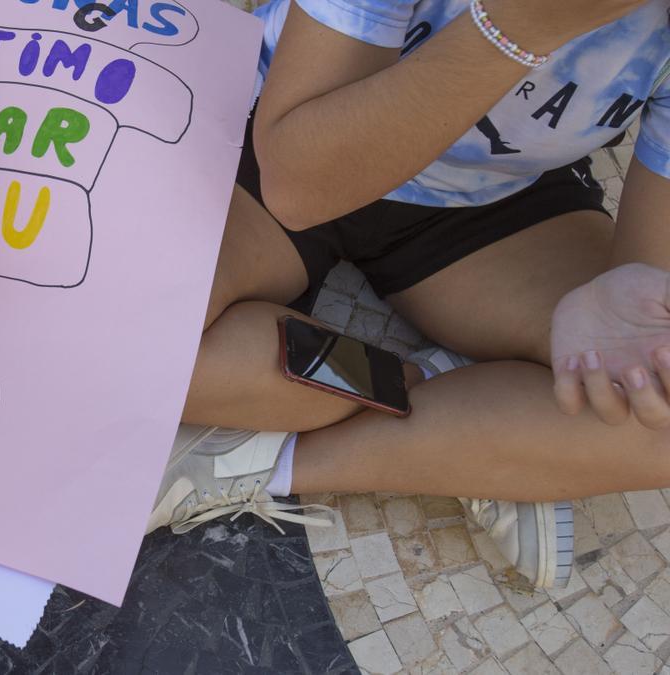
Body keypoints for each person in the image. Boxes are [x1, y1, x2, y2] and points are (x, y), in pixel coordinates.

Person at [147, 0, 670, 589]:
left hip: (491, 194)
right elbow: (302, 184)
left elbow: (650, 262)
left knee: (654, 410)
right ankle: (461, 423)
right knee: (108, 331)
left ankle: (263, 463)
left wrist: (632, 288)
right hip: (281, 134)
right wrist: (518, 27)